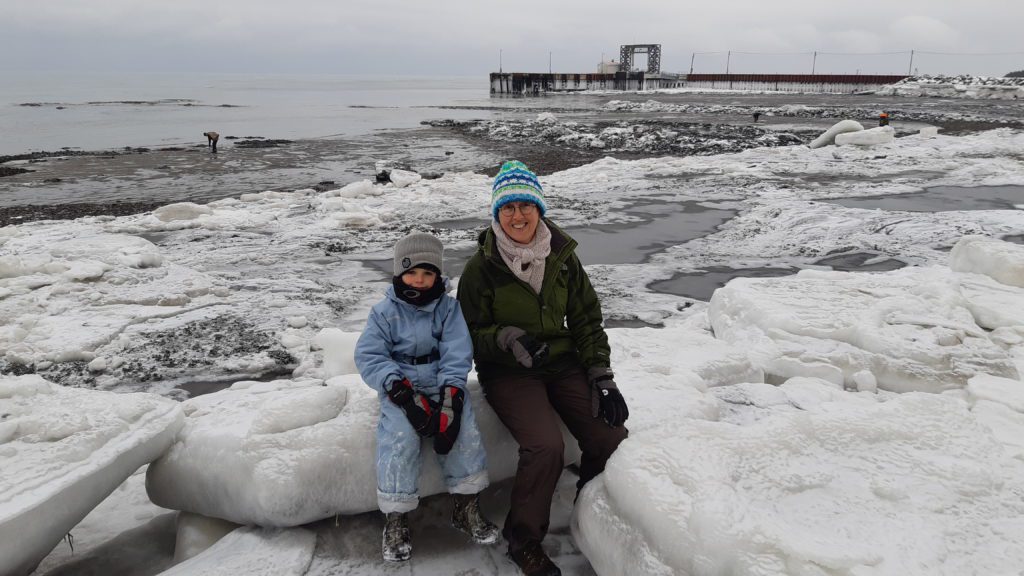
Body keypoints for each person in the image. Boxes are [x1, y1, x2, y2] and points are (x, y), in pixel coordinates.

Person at [457, 161, 629, 576]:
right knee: (546, 446)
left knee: (609, 436)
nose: (517, 216)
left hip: (561, 362)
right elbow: (466, 332)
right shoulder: (481, 267)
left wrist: (601, 375)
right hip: (508, 372)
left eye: (525, 206)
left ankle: (589, 509)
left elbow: (586, 318)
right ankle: (524, 541)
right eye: (508, 207)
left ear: (539, 209)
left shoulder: (562, 257)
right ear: (497, 213)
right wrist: (506, 338)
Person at [355, 232, 499, 563]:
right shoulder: (383, 312)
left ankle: (466, 508)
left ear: (437, 275)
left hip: (440, 381)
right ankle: (396, 518)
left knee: (462, 432)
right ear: (399, 273)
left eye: (427, 273)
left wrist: (452, 397)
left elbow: (457, 351)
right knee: (399, 438)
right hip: (401, 384)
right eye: (412, 273)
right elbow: (370, 356)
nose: (419, 280)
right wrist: (400, 391)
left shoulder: (449, 309)